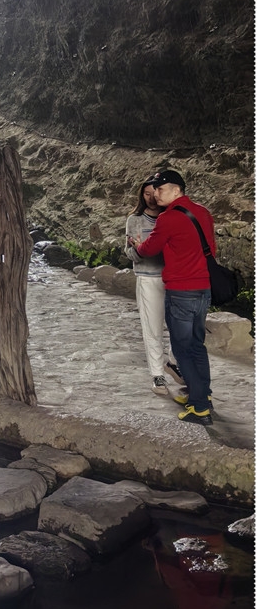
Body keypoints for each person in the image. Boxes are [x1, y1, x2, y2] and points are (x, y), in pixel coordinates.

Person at [133, 170, 215, 425]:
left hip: (181, 291)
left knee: (183, 348)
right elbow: (211, 246)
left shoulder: (168, 218)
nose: (156, 194)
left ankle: (199, 407)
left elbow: (149, 250)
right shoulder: (202, 211)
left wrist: (137, 245)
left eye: (161, 188)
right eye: (154, 189)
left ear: (177, 189)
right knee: (197, 345)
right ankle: (204, 395)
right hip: (204, 288)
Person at [124, 178, 179, 396]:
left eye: (154, 192)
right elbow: (128, 252)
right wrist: (138, 249)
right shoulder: (135, 219)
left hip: (173, 278)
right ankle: (157, 376)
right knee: (152, 328)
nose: (152, 197)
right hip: (148, 278)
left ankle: (173, 362)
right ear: (142, 196)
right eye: (146, 194)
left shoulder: (171, 217)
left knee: (178, 326)